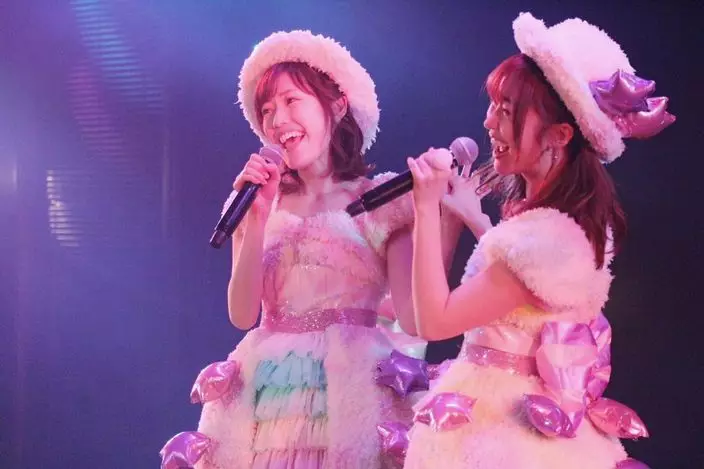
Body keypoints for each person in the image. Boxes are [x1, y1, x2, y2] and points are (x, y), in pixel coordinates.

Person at [161, 30, 457, 469]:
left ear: (336, 106)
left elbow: (414, 319)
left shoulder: (381, 202)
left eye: (291, 101)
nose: (277, 120)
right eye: (267, 110)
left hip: (353, 388)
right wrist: (256, 217)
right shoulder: (256, 202)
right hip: (269, 394)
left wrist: (435, 214)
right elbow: (242, 314)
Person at [401, 12, 674, 468]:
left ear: (559, 135)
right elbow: (511, 303)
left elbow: (433, 322)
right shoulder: (551, 229)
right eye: (494, 106)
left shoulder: (548, 241)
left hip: (506, 432)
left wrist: (427, 208)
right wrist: (468, 221)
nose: (489, 122)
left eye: (507, 111)